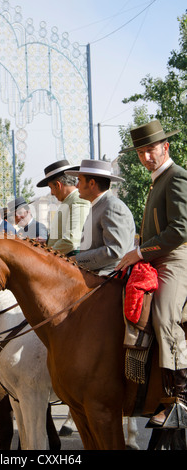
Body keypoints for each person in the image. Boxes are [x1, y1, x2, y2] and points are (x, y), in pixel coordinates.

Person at [116, 119, 187, 426]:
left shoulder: (176, 177)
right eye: (141, 152)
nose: (146, 157)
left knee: (164, 315)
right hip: (156, 259)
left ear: (165, 147)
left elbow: (180, 229)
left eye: (151, 149)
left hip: (176, 259)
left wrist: (140, 252)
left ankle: (177, 401)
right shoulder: (157, 180)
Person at [66, 159, 136, 275]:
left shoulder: (112, 207)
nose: (77, 186)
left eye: (80, 180)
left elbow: (115, 251)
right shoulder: (99, 205)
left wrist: (77, 259)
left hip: (110, 278)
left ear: (92, 183)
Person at [37, 159, 90, 256]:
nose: (52, 193)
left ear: (58, 185)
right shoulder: (69, 201)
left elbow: (71, 241)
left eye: (50, 188)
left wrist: (45, 254)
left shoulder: (78, 200)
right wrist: (47, 242)